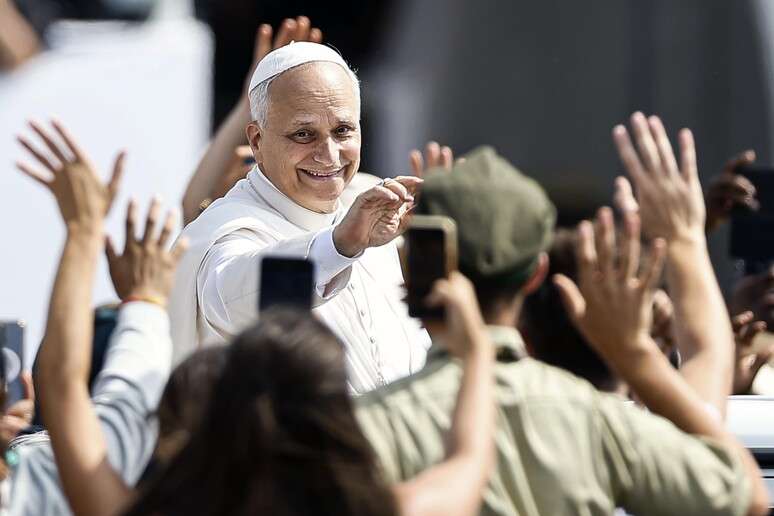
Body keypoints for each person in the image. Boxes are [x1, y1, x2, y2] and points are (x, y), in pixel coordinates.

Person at [355, 132, 769, 515]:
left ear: (409, 271)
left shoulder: (363, 428)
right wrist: (682, 243)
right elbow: (737, 489)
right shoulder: (594, 421)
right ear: (536, 273)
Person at [169, 40, 430, 392]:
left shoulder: (368, 213)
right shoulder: (225, 232)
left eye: (342, 131)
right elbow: (236, 297)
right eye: (304, 135)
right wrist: (338, 246)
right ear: (258, 140)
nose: (328, 154)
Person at [126, 284, 496, 516]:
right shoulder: (385, 508)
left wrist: (140, 294)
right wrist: (477, 351)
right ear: (335, 405)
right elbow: (468, 461)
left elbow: (67, 400)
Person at [11, 119, 190, 516]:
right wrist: (85, 229)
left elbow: (62, 389)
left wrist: (85, 231)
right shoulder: (60, 483)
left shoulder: (34, 478)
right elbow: (69, 391)